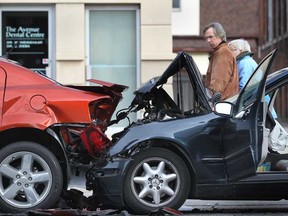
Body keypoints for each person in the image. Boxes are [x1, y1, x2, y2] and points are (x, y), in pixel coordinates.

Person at [203, 22, 238, 100]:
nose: (208, 41)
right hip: (224, 103)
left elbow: (218, 83)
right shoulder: (223, 51)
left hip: (221, 105)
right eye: (206, 38)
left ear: (220, 35)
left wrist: (211, 102)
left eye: (211, 37)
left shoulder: (222, 52)